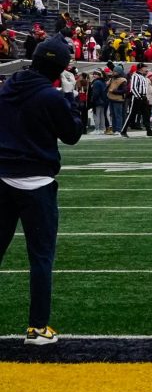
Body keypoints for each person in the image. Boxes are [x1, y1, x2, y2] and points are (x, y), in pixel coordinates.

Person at [0, 35, 84, 345]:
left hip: (2, 177)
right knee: (41, 258)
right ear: (60, 68)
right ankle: (37, 328)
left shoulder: (8, 87)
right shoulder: (50, 97)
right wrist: (71, 96)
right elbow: (72, 134)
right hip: (36, 183)